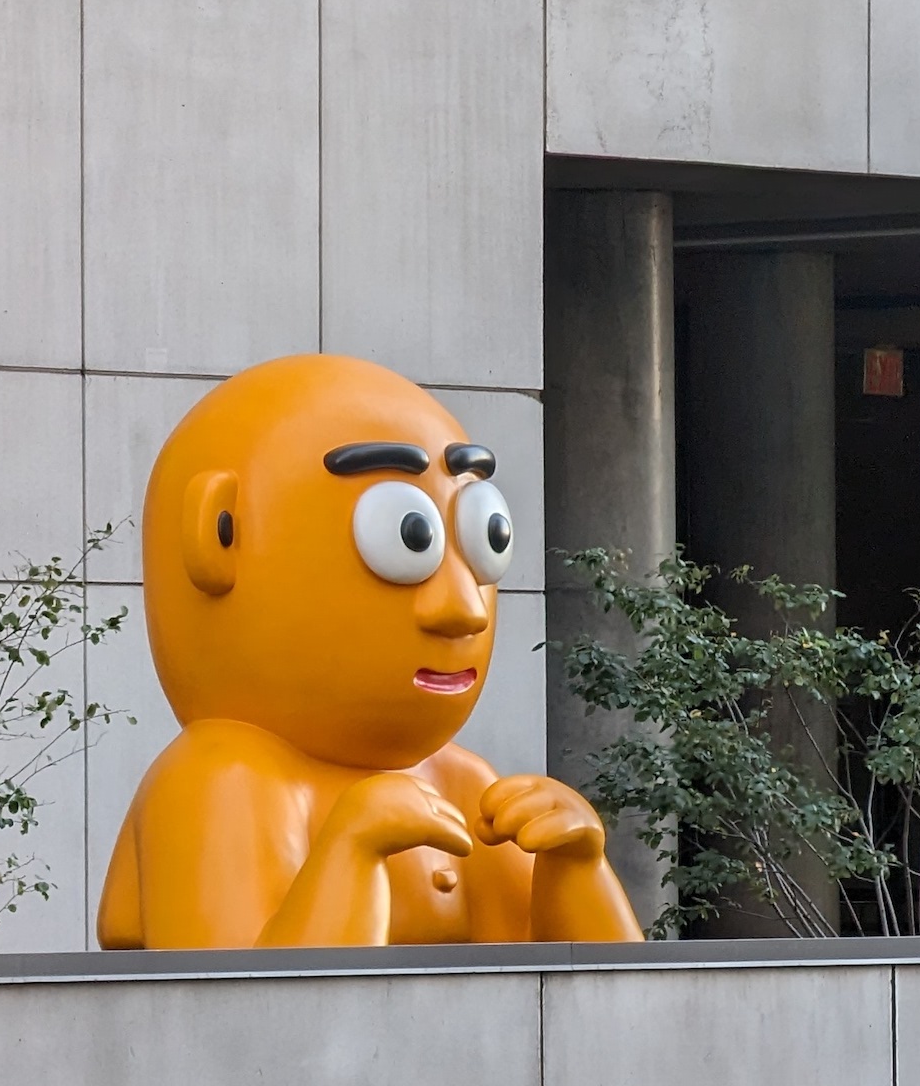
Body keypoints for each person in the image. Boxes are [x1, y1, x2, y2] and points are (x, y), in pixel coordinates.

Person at [97, 353, 644, 949]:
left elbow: (594, 1004)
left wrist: (577, 872)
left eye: (486, 540)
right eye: (407, 540)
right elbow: (239, 1013)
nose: (465, 607)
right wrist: (352, 853)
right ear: (217, 538)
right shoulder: (220, 780)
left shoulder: (458, 780)